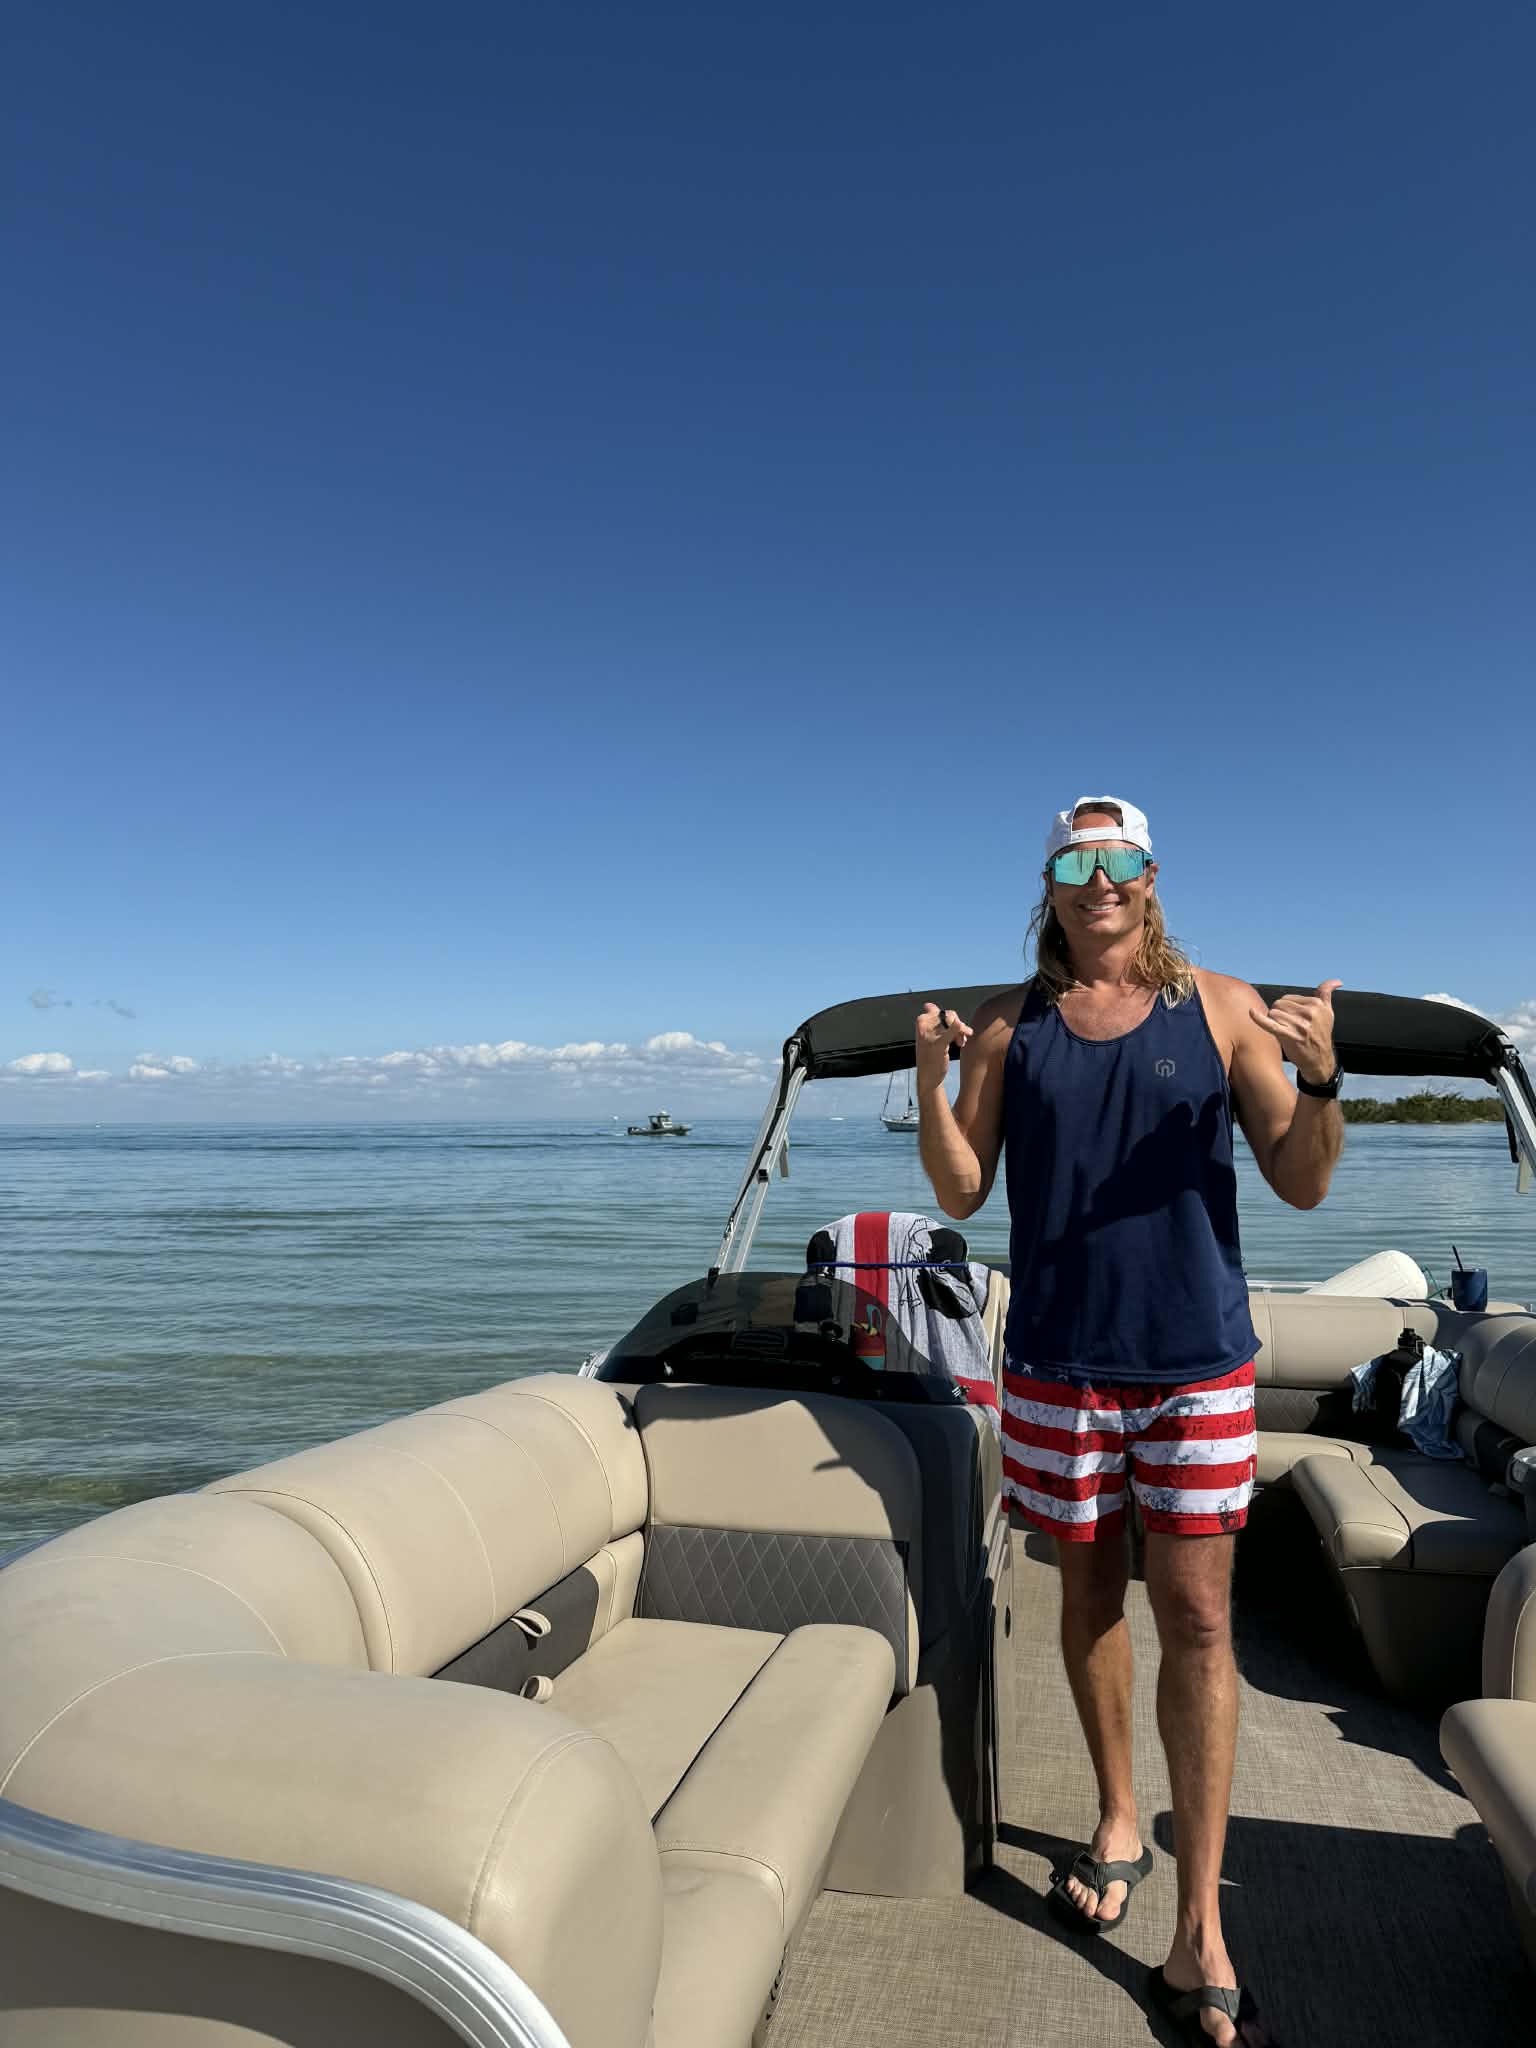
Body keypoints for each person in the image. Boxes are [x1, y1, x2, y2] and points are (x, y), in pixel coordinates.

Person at [915, 795, 1343, 2048]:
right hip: (1057, 1364)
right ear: (1049, 880)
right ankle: (1116, 1813)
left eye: (1120, 858)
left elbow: (1303, 1179)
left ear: (1150, 877)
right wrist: (934, 1083)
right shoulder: (1009, 1022)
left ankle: (1200, 1923)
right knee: (1090, 1596)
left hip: (1197, 1366)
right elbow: (961, 1187)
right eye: (1076, 856)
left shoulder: (1221, 1008)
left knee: (1199, 1616)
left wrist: (1324, 1077)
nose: (1098, 876)